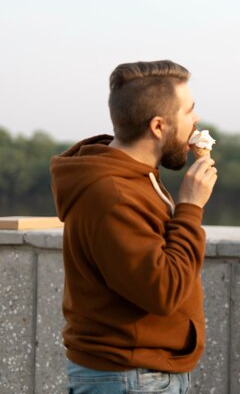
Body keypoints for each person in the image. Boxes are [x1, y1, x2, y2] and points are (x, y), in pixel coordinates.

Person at [50, 60, 218, 394]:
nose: (197, 120)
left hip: (142, 373)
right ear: (158, 126)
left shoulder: (137, 178)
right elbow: (163, 290)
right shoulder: (112, 194)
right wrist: (190, 208)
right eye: (189, 111)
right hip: (129, 377)